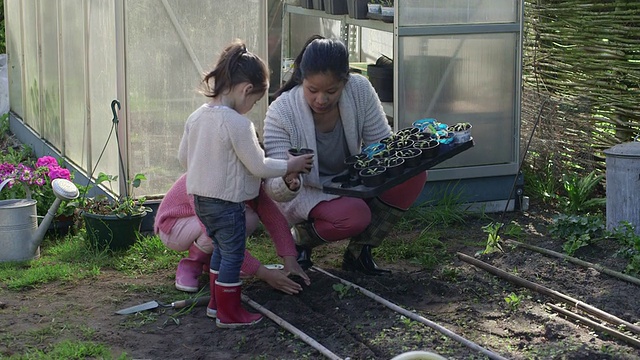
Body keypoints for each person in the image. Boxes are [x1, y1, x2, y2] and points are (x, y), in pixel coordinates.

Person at [262, 35, 428, 276]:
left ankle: (359, 252)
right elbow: (274, 187)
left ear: (345, 81)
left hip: (348, 181)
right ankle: (300, 239)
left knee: (413, 175)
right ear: (301, 79)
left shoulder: (359, 90)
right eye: (312, 90)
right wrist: (289, 179)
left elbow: (380, 145)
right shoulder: (281, 111)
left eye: (331, 90)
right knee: (354, 215)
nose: (321, 99)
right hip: (306, 190)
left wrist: (413, 149)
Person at [177, 40, 314, 328]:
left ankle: (216, 306)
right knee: (233, 254)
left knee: (221, 250)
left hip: (202, 202)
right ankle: (230, 313)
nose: (250, 108)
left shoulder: (197, 116)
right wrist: (291, 165)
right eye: (253, 102)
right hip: (227, 205)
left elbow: (182, 158)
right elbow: (259, 166)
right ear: (244, 90)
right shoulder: (238, 124)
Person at [154, 173, 311, 295]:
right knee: (222, 228)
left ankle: (212, 263)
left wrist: (290, 259)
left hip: (202, 224)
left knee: (246, 218)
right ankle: (191, 265)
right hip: (174, 226)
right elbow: (220, 236)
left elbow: (274, 218)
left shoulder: (247, 178)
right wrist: (264, 273)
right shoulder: (206, 182)